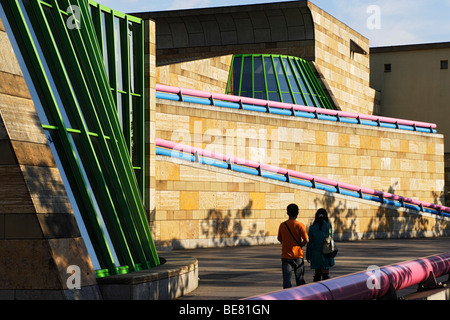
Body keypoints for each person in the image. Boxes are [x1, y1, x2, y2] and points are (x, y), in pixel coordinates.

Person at [277, 203, 309, 289]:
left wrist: (286, 244)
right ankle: (302, 295)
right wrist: (301, 245)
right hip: (297, 255)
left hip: (286, 255)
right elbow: (306, 239)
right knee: (300, 279)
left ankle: (287, 296)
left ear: (287, 213)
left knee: (287, 279)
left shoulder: (282, 225)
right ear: (297, 213)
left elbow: (279, 239)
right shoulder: (300, 225)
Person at [306, 208, 335, 282]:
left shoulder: (312, 228)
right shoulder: (328, 226)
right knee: (325, 275)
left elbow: (310, 243)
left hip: (315, 255)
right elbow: (330, 238)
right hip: (326, 253)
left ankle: (316, 291)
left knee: (317, 274)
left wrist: (308, 255)